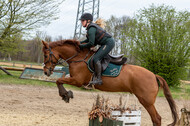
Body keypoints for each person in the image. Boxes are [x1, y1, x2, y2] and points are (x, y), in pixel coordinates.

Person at [79, 13, 115, 85]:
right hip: (106, 43)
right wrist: (79, 43)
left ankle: (99, 79)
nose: (81, 22)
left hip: (108, 43)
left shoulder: (91, 29)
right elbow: (88, 41)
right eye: (81, 20)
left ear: (88, 21)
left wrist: (81, 46)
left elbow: (91, 43)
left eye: (83, 20)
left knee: (96, 59)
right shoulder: (90, 28)